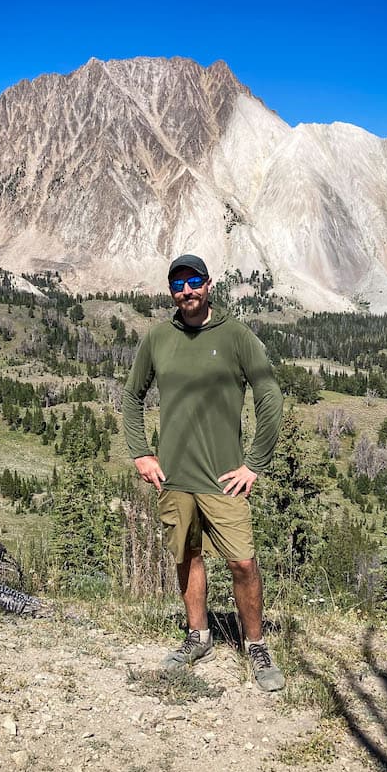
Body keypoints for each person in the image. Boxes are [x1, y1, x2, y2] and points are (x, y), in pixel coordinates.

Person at [122, 253, 285, 691]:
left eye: (193, 282)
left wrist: (254, 463)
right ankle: (198, 636)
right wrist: (141, 453)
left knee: (244, 563)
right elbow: (131, 397)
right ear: (171, 291)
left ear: (209, 284)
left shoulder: (235, 336)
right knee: (186, 556)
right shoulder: (157, 338)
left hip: (223, 478)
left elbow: (270, 395)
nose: (186, 291)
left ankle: (255, 644)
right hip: (173, 478)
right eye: (178, 285)